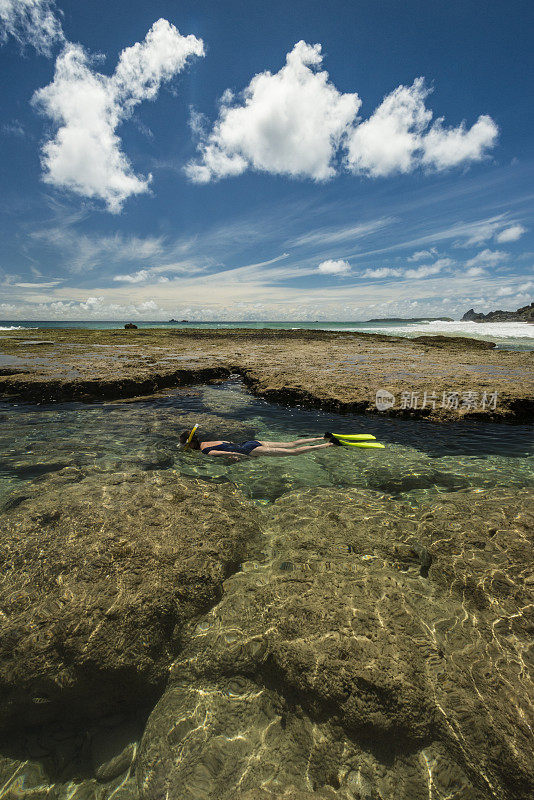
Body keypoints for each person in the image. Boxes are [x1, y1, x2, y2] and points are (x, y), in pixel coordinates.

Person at [179, 430, 340, 458]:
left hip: (250, 450)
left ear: (191, 444)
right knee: (291, 444)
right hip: (250, 442)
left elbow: (232, 453)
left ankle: (330, 445)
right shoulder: (208, 441)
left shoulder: (206, 451)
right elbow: (228, 443)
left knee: (294, 453)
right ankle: (322, 437)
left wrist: (246, 458)